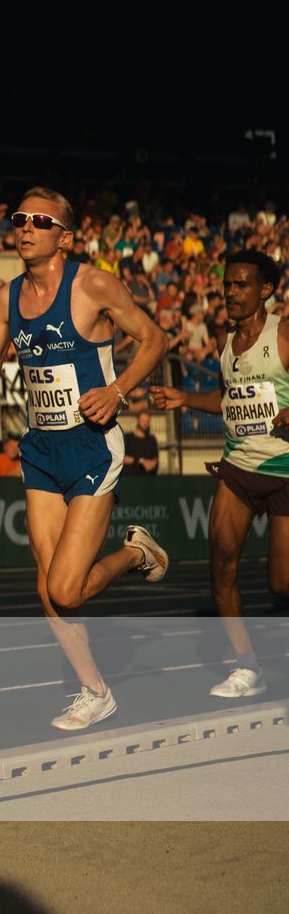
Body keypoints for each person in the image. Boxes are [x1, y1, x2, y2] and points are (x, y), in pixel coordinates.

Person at [0, 187, 170, 732]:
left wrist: (119, 390)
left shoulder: (93, 285)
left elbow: (155, 339)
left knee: (66, 588)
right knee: (44, 584)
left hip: (91, 445)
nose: (25, 227)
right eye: (18, 219)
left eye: (39, 220)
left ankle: (134, 553)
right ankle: (94, 690)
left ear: (65, 236)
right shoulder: (4, 298)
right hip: (40, 449)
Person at [152, 249, 289, 696]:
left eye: (241, 284)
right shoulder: (224, 341)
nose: (230, 292)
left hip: (284, 471)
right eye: (227, 284)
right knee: (221, 565)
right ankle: (248, 666)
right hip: (237, 468)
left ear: (265, 290)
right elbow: (230, 396)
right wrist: (183, 398)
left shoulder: (283, 333)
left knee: (281, 585)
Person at [123, 409, 160, 475]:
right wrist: (141, 461)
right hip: (130, 479)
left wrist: (152, 464)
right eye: (142, 420)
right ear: (137, 420)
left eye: (147, 421)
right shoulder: (127, 437)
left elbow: (155, 458)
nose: (145, 423)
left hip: (148, 480)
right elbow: (121, 458)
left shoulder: (152, 439)